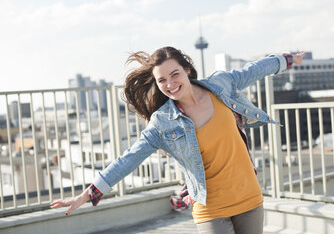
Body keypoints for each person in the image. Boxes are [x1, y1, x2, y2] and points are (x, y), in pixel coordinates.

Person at [51, 47, 305, 234]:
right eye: (162, 80)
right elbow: (128, 159)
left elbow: (254, 70)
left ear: (187, 70)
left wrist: (286, 59)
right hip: (211, 208)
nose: (170, 84)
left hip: (248, 196)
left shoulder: (220, 85)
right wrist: (88, 194)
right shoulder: (162, 123)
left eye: (175, 75)